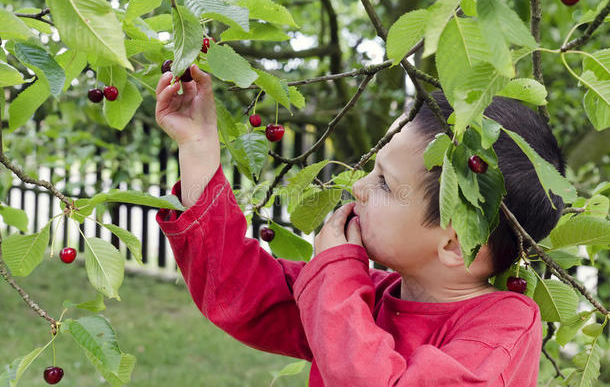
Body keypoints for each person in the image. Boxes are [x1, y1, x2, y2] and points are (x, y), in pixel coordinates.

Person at [154, 64, 565, 386]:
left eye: (385, 182)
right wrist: (198, 147)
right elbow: (234, 286)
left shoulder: (505, 327)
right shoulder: (363, 296)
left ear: (455, 246)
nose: (361, 187)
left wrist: (336, 275)